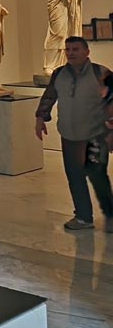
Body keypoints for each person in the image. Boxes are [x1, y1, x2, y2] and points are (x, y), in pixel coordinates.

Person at [35, 36, 113, 231]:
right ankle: (83, 217)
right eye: (68, 49)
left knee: (98, 176)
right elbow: (50, 96)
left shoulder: (101, 73)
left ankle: (111, 216)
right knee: (75, 176)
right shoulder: (59, 74)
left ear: (86, 52)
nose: (70, 53)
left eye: (75, 49)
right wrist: (40, 118)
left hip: (96, 135)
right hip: (69, 135)